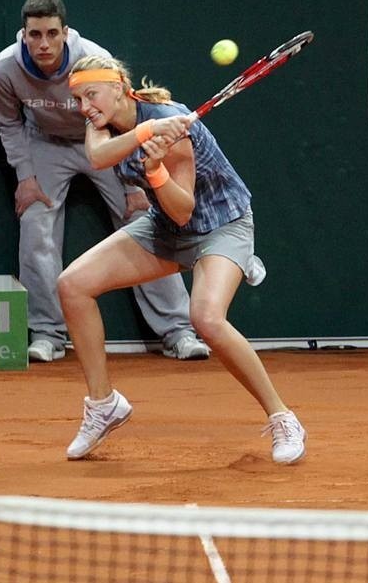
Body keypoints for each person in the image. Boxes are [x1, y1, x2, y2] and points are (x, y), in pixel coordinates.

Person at [58, 55, 306, 464]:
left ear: (119, 86)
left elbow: (184, 210)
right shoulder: (104, 124)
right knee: (73, 285)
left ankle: (283, 417)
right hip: (165, 230)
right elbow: (99, 158)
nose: (85, 107)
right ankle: (104, 404)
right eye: (78, 99)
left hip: (220, 226)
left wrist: (155, 169)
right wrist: (148, 133)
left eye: (92, 94)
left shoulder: (174, 122)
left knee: (206, 319)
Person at [0, 0, 209, 362]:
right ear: (23, 34)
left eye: (52, 34)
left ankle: (177, 330)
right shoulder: (4, 69)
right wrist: (25, 176)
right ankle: (47, 334)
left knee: (144, 220)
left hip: (103, 138)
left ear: (65, 33)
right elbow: (8, 124)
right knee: (35, 222)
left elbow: (127, 115)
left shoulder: (94, 59)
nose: (43, 43)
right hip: (44, 144)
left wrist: (133, 184)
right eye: (35, 34)